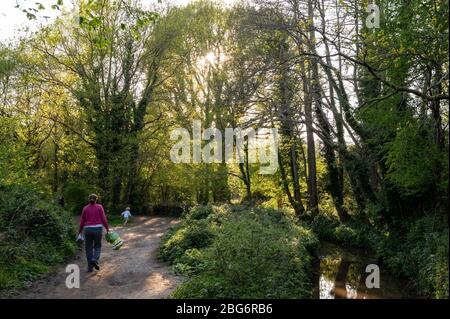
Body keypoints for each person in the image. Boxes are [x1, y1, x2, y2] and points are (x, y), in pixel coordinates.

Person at [78, 194, 109, 273]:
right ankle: (95, 259)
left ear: (89, 199)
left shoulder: (85, 208)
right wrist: (107, 229)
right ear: (96, 199)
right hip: (98, 229)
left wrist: (80, 231)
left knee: (88, 248)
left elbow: (82, 221)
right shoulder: (99, 207)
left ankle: (90, 268)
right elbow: (103, 218)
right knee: (97, 246)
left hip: (87, 229)